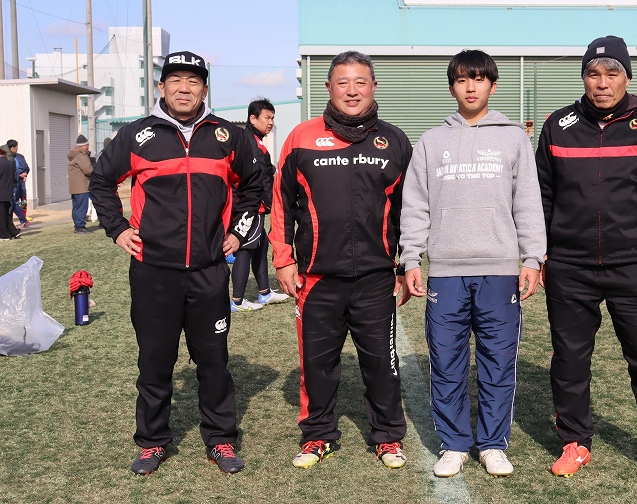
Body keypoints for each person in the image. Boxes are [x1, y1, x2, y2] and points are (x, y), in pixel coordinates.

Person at [89, 50, 261, 476]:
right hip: (154, 272)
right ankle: (152, 442)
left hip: (208, 271)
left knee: (214, 362)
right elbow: (101, 181)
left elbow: (255, 185)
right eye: (176, 81)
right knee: (154, 362)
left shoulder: (228, 136)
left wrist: (238, 232)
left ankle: (220, 439)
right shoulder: (136, 134)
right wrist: (117, 228)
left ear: (204, 89)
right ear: (161, 87)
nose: (184, 89)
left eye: (193, 81)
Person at [535, 36, 637, 483]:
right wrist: (538, 254)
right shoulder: (558, 126)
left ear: (627, 77)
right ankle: (575, 442)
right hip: (569, 266)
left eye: (612, 73)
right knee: (569, 360)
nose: (602, 82)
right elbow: (540, 196)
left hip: (635, 266)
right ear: (584, 78)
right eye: (593, 73)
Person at [400, 50, 547, 478]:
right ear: (452, 87)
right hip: (446, 271)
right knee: (446, 362)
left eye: (479, 79)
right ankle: (454, 444)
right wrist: (411, 257)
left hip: (500, 270)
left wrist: (532, 257)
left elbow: (527, 202)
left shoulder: (514, 138)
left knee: (497, 362)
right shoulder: (431, 142)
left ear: (492, 86)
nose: (470, 87)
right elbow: (416, 205)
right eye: (462, 80)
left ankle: (493, 444)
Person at [270, 51, 411, 470]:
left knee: (382, 365)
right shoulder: (301, 138)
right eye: (343, 82)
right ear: (329, 88)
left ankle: (387, 437)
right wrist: (283, 259)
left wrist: (405, 266)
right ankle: (317, 435)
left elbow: (410, 211)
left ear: (374, 87)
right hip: (317, 278)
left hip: (375, 279)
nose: (352, 91)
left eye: (360, 82)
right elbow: (281, 202)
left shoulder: (394, 141)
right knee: (316, 365)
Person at [230, 98, 289, 312]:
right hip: (250, 206)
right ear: (253, 119)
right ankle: (237, 301)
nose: (271, 122)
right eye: (267, 117)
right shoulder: (250, 143)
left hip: (253, 206)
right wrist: (271, 205)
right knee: (245, 250)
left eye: (272, 118)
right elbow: (259, 179)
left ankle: (264, 292)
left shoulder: (255, 141)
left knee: (261, 246)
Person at [67, 135, 94, 234]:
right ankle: (80, 226)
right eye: (87, 144)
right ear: (84, 146)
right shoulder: (82, 155)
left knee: (76, 207)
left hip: (74, 186)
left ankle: (77, 225)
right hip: (82, 185)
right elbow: (88, 170)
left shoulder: (74, 155)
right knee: (82, 207)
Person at [7, 139, 30, 228]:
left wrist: (25, 174)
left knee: (14, 202)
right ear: (12, 148)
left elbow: (25, 168)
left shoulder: (19, 157)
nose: (17, 149)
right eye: (16, 147)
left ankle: (23, 220)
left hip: (16, 183)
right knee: (13, 202)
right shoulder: (9, 158)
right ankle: (22, 220)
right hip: (13, 183)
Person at [0, 145, 20, 240]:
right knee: (7, 214)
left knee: (2, 215)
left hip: (2, 193)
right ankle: (13, 232)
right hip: (8, 192)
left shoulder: (1, 163)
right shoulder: (8, 161)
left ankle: (4, 234)